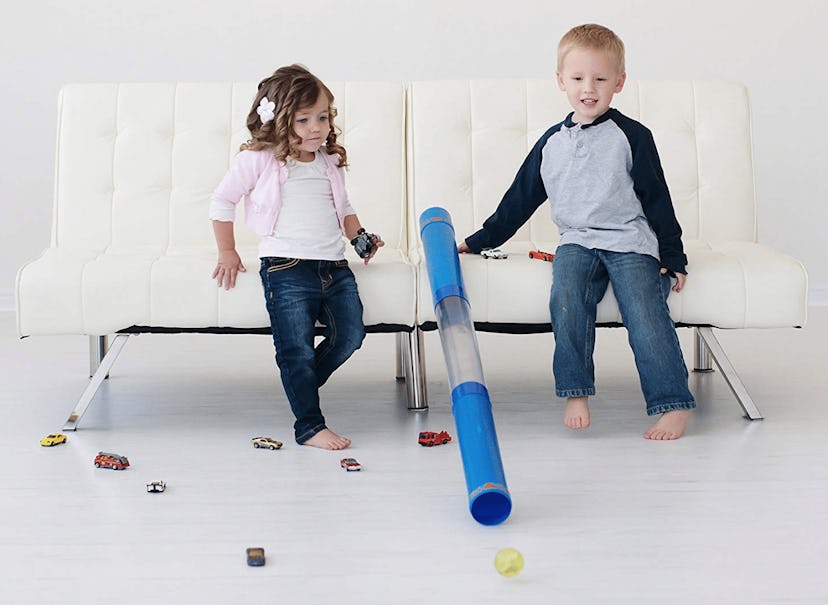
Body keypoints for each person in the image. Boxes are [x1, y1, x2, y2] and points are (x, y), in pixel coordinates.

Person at [458, 24, 696, 440]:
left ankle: (673, 402)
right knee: (566, 299)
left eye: (601, 79)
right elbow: (520, 199)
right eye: (578, 78)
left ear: (619, 83)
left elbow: (657, 198)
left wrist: (673, 258)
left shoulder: (633, 136)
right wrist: (478, 241)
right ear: (560, 81)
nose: (590, 88)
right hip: (577, 243)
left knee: (644, 310)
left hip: (629, 241)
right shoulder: (552, 142)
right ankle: (576, 390)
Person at [209, 64, 383, 450]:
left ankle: (298, 382)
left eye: (322, 117)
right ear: (279, 119)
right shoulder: (261, 159)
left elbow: (344, 209)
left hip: (333, 266)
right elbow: (223, 200)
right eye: (303, 120)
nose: (315, 128)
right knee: (296, 349)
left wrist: (360, 239)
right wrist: (227, 249)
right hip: (285, 268)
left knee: (351, 335)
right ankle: (308, 425)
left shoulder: (330, 161)